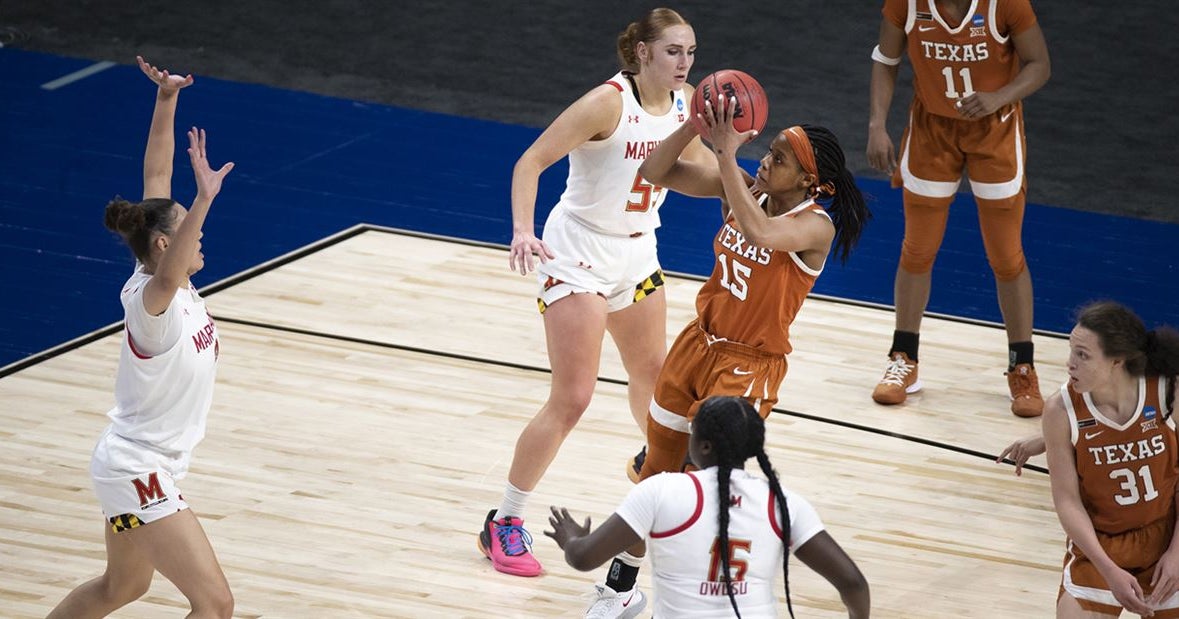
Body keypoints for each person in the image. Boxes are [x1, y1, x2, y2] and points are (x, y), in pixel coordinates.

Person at [581, 93, 870, 616]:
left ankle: (707, 594)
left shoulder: (816, 226)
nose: (767, 161)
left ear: (810, 182)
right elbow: (654, 171)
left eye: (780, 158)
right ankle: (620, 590)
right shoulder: (746, 189)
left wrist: (725, 154)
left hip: (749, 365)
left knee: (702, 481)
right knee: (656, 474)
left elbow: (761, 231)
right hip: (697, 345)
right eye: (770, 150)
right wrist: (693, 127)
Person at [477, 7, 713, 589]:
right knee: (574, 397)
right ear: (643, 53)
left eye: (690, 52)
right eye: (673, 51)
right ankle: (503, 521)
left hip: (637, 252)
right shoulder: (608, 104)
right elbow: (530, 161)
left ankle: (658, 465)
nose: (684, 63)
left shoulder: (684, 105)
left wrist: (744, 178)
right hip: (578, 251)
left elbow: (703, 173)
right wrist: (522, 230)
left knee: (656, 379)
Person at [47, 57, 235, 619]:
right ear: (164, 247)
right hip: (138, 470)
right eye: (191, 231)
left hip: (141, 462)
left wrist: (166, 99)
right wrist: (203, 199)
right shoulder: (152, 303)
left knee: (121, 588)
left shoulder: (157, 271)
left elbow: (156, 178)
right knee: (215, 605)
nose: (202, 237)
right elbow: (172, 269)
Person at [865, 0, 1052, 416]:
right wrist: (877, 125)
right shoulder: (906, 4)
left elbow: (1040, 64)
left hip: (996, 129)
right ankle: (904, 358)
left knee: (1006, 256)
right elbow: (886, 59)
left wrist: (999, 96)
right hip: (932, 129)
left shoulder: (1006, 5)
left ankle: (1021, 366)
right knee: (917, 249)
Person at [546, 396, 870, 618]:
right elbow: (853, 583)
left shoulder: (660, 490)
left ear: (702, 446)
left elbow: (583, 558)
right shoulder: (784, 503)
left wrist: (571, 537)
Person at [1040, 301, 1179, 617]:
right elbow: (1067, 502)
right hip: (1101, 545)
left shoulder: (1166, 391)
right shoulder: (1060, 410)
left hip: (1167, 537)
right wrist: (1109, 570)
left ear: (1117, 360)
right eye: (1071, 351)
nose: (1069, 364)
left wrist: (1176, 555)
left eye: (1082, 355)